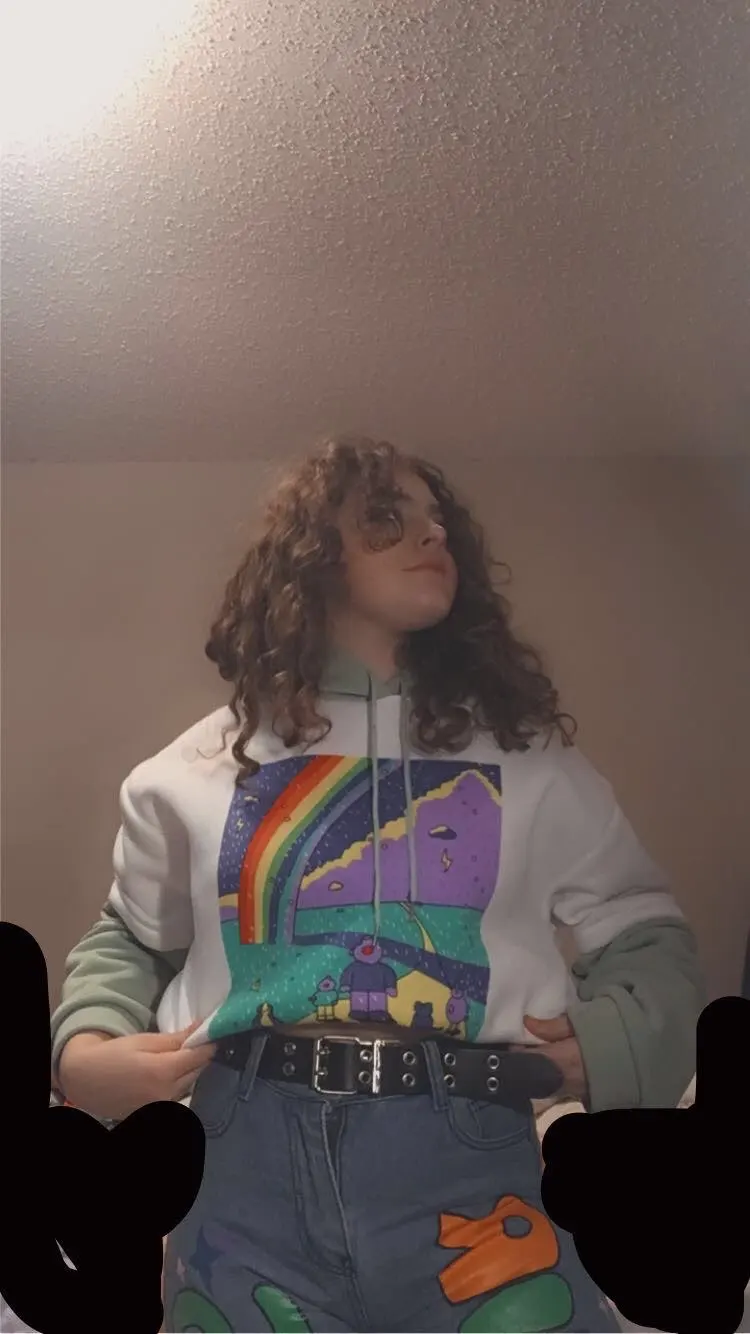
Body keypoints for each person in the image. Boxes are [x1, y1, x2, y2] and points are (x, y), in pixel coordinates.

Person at [51, 437, 704, 1333]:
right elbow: (131, 934)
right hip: (244, 1161)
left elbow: (644, 927)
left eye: (439, 524)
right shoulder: (195, 769)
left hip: (468, 1156)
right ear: (313, 554)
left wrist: (618, 1043)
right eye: (390, 518)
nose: (432, 535)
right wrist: (84, 1052)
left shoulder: (530, 761)